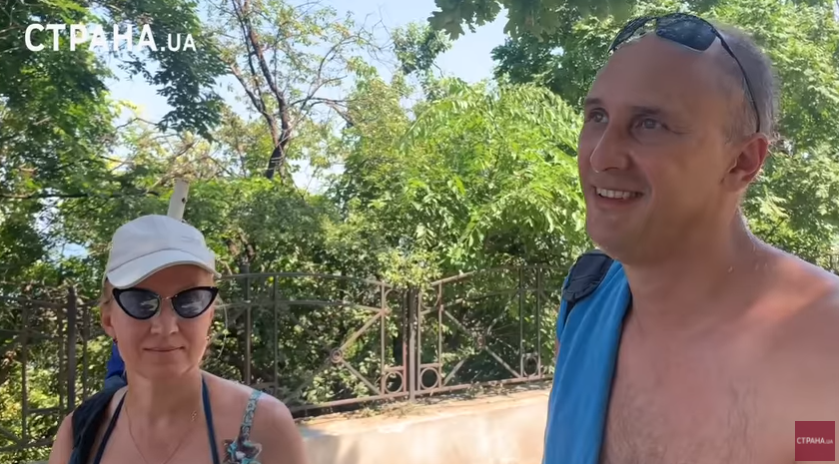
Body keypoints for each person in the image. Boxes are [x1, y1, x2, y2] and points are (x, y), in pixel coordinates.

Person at [543, 13, 839, 464]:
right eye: (597, 116)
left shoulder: (823, 346)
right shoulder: (584, 305)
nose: (601, 156)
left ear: (742, 161)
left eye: (650, 124)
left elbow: (819, 446)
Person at [48, 214, 309, 464]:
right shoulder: (78, 434)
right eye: (140, 301)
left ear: (209, 316)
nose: (166, 327)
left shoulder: (264, 425)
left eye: (190, 300)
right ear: (108, 320)